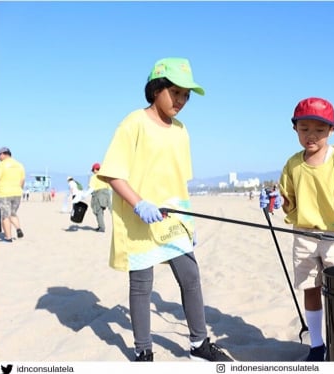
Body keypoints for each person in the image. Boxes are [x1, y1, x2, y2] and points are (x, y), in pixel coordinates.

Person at [97, 57, 232, 362]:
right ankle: (143, 350)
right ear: (156, 89)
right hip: (140, 217)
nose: (181, 100)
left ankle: (199, 344)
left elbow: (178, 180)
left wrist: (187, 218)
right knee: (142, 286)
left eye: (186, 95)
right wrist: (139, 203)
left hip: (174, 216)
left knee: (191, 279)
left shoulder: (181, 130)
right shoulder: (133, 122)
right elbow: (113, 172)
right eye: (175, 92)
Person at [260, 97, 334, 361]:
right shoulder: (292, 164)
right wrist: (273, 201)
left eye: (319, 130)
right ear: (295, 129)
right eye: (305, 129)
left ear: (331, 130)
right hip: (304, 236)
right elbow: (289, 202)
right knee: (311, 289)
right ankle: (316, 345)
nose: (311, 136)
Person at [0, 146, 26, 242]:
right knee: (13, 213)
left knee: (5, 216)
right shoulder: (19, 165)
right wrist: (18, 189)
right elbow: (22, 180)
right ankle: (18, 229)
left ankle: (8, 238)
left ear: (3, 154)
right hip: (17, 193)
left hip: (4, 193)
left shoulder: (1, 165)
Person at [87, 162, 112, 232]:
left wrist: (84, 195)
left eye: (93, 170)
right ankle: (100, 226)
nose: (93, 172)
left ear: (95, 169)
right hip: (106, 195)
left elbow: (91, 188)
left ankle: (101, 228)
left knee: (98, 211)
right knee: (103, 211)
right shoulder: (104, 176)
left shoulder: (94, 177)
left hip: (98, 195)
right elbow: (110, 187)